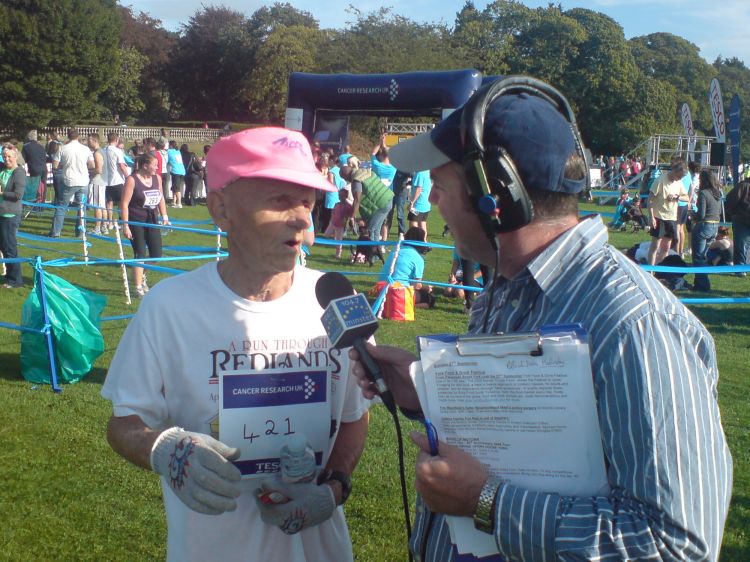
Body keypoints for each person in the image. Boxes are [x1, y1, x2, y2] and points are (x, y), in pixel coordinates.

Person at [349, 79, 732, 561]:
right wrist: (425, 393)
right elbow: (530, 435)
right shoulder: (506, 288)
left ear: (497, 199)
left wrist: (485, 502)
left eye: (442, 189)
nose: (437, 205)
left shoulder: (636, 323)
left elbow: (674, 544)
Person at [102, 127, 370, 562]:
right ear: (221, 209)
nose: (303, 218)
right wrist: (165, 450)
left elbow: (355, 415)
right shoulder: (170, 307)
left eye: (308, 200)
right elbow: (124, 422)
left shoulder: (337, 301)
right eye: (280, 200)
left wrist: (335, 486)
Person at [120, 153, 170, 298]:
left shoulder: (157, 178)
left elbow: (160, 198)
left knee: (156, 254)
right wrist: (125, 225)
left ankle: (141, 274)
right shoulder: (132, 180)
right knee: (140, 253)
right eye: (155, 165)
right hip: (136, 220)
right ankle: (137, 287)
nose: (157, 167)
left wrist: (165, 216)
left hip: (152, 219)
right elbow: (124, 203)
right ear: (145, 165)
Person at [49, 128, 93, 238]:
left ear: (68, 136)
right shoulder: (86, 149)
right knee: (81, 208)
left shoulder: (62, 149)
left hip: (68, 181)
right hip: (83, 181)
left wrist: (64, 166)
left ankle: (55, 232)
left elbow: (54, 165)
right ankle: (80, 233)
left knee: (61, 206)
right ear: (78, 136)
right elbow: (92, 165)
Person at [647, 158, 689, 266]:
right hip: (659, 217)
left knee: (666, 248)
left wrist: (677, 197)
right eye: (679, 176)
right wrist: (651, 217)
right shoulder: (660, 180)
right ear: (674, 171)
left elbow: (687, 198)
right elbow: (650, 200)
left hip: (672, 218)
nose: (680, 179)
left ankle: (658, 271)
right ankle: (650, 272)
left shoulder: (678, 182)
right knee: (655, 247)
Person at [339, 164, 393, 248]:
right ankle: (375, 254)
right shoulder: (365, 171)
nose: (345, 180)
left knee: (371, 230)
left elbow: (357, 199)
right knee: (376, 230)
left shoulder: (356, 180)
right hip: (388, 198)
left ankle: (369, 253)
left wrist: (352, 217)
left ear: (346, 175)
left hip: (381, 204)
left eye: (344, 178)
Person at [0, 144, 28, 288]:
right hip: (1, 213)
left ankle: (15, 280)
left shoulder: (19, 172)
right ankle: (9, 276)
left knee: (10, 247)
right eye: (4, 156)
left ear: (15, 157)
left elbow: (18, 195)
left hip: (10, 214)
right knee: (3, 247)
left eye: (9, 156)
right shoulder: (2, 169)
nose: (6, 159)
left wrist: (2, 193)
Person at [691, 170, 723, 292]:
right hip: (714, 227)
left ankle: (704, 285)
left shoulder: (703, 193)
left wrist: (692, 214)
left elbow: (701, 215)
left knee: (698, 257)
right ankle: (699, 283)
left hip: (703, 226)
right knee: (703, 256)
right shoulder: (718, 193)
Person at [103, 132, 129, 234]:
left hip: (107, 180)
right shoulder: (117, 151)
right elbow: (122, 166)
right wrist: (128, 177)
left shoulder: (103, 150)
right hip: (117, 180)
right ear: (116, 140)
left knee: (109, 202)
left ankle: (110, 222)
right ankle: (122, 223)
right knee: (122, 203)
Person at [725, 179, 750, 276]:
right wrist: (734, 215)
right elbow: (730, 200)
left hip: (741, 219)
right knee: (741, 245)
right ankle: (740, 270)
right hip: (741, 220)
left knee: (741, 245)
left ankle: (741, 269)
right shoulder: (743, 186)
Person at [86, 134, 106, 234]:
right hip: (102, 181)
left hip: (97, 181)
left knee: (97, 206)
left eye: (89, 141)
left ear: (94, 141)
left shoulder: (97, 153)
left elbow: (98, 170)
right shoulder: (103, 151)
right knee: (102, 205)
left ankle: (97, 228)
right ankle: (104, 227)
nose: (87, 143)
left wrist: (89, 172)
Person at [325, 188, 353, 258]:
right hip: (333, 223)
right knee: (326, 234)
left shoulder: (348, 206)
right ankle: (334, 236)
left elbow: (351, 215)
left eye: (341, 195)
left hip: (340, 226)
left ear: (346, 196)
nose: (339, 197)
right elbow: (333, 212)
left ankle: (338, 254)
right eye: (339, 195)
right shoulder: (337, 204)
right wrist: (331, 220)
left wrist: (349, 220)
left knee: (339, 241)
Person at [21, 130, 47, 203]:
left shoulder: (26, 146)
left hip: (34, 168)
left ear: (29, 138)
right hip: (44, 168)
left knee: (34, 186)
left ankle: (35, 202)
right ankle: (42, 202)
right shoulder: (41, 146)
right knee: (42, 186)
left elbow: (23, 159)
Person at [408, 169, 432, 236]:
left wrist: (412, 202)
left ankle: (416, 243)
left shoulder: (420, 173)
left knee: (413, 224)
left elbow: (418, 189)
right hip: (426, 204)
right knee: (422, 223)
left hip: (418, 204)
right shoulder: (428, 171)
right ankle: (424, 243)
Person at [167, 140, 186, 208]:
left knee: (177, 188)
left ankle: (179, 203)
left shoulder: (169, 151)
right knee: (175, 187)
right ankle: (174, 202)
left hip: (176, 171)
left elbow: (167, 160)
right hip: (182, 171)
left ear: (171, 145)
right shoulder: (178, 151)